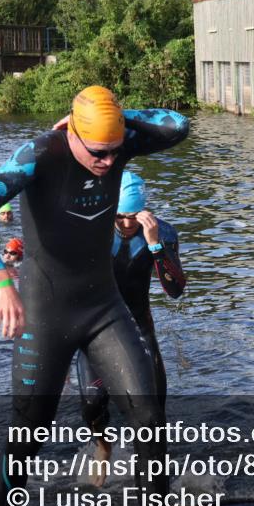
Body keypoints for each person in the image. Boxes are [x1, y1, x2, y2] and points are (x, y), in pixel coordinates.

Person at [0, 85, 188, 506]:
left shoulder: (119, 142)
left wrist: (121, 119)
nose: (107, 162)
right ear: (74, 134)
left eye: (115, 153)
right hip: (45, 311)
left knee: (149, 419)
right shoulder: (39, 154)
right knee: (30, 427)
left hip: (103, 306)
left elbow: (178, 125)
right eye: (99, 153)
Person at [75, 171, 186, 485]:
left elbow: (176, 289)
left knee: (153, 411)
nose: (126, 225)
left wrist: (154, 247)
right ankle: (103, 446)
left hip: (139, 326)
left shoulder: (162, 232)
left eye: (133, 218)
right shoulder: (90, 231)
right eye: (120, 217)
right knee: (92, 402)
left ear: (145, 212)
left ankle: (150, 478)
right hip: (96, 329)